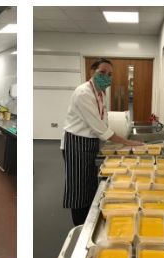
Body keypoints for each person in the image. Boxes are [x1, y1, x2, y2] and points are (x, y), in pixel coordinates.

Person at [61, 58, 143, 226]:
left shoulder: (99, 93)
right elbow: (99, 127)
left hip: (89, 143)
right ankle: (80, 227)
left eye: (109, 74)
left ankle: (89, 220)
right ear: (92, 72)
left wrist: (111, 141)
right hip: (77, 143)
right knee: (79, 189)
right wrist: (125, 142)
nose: (106, 77)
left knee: (90, 185)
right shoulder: (83, 93)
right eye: (102, 73)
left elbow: (103, 121)